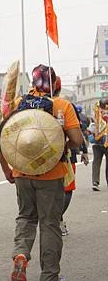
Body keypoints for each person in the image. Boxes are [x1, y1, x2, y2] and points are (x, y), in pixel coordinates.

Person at [0, 64, 83, 281]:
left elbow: (3, 135)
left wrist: (8, 168)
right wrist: (61, 143)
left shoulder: (18, 104)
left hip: (22, 171)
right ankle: (49, 278)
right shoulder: (61, 105)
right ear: (54, 82)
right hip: (51, 172)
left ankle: (21, 254)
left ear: (33, 82)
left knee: (26, 216)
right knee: (49, 223)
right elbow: (76, 139)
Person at [53, 79, 88, 236]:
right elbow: (76, 133)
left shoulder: (32, 105)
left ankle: (54, 219)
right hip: (66, 156)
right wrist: (83, 150)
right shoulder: (66, 105)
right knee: (67, 189)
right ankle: (57, 219)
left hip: (38, 159)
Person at [89, 100, 108, 191]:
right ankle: (95, 182)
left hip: (98, 141)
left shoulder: (97, 112)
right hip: (101, 142)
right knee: (97, 162)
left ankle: (95, 182)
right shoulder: (98, 112)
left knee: (96, 162)